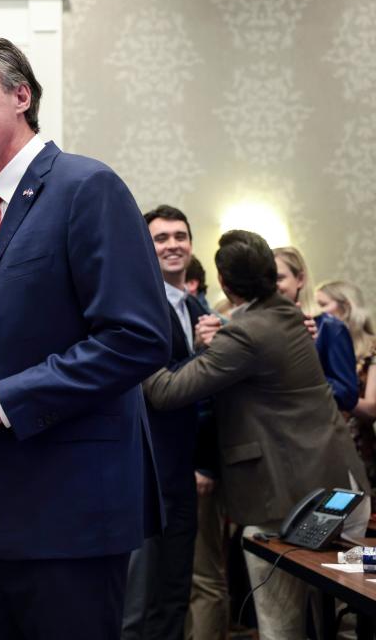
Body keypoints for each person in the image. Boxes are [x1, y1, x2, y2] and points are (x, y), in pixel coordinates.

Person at [0, 35, 170, 639]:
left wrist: (0, 399)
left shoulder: (86, 188)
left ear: (21, 95)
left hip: (68, 519)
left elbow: (137, 338)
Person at [143, 230, 370, 640]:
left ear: (226, 285)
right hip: (336, 480)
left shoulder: (244, 334)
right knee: (341, 615)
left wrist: (133, 348)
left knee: (281, 620)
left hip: (287, 495)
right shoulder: (284, 314)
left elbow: (166, 391)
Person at [122, 205, 209, 640]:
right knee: (138, 599)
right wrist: (207, 356)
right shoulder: (136, 305)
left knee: (176, 589)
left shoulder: (197, 308)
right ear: (144, 245)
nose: (173, 244)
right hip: (144, 469)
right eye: (161, 238)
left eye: (180, 235)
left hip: (184, 471)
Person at [274, 247, 358, 412]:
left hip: (314, 429)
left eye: (279, 278)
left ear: (300, 279)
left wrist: (302, 367)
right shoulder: (264, 327)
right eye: (266, 279)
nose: (272, 286)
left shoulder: (330, 327)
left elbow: (347, 396)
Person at [316, 279, 376, 488]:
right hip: (323, 446)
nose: (318, 313)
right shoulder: (320, 348)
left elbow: (371, 408)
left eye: (323, 305)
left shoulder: (372, 349)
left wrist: (330, 389)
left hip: (358, 447)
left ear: (347, 306)